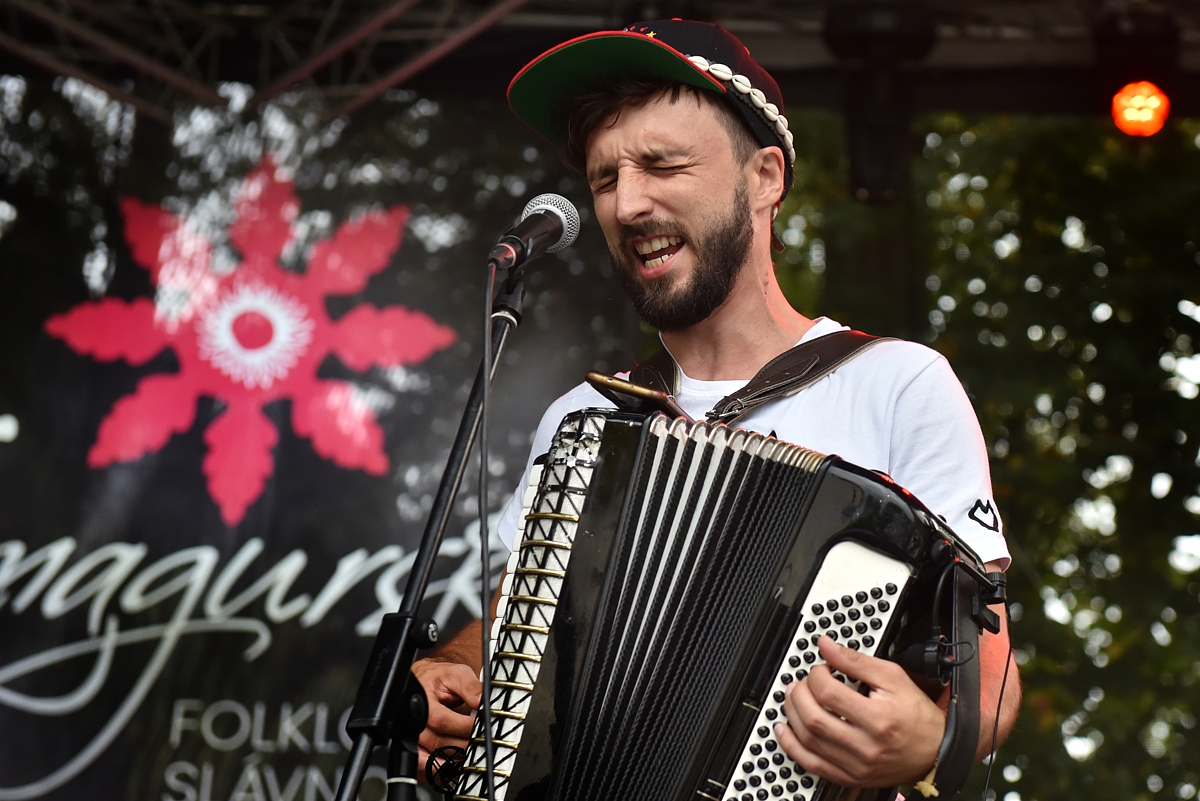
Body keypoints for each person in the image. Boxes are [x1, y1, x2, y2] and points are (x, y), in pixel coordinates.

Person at [413, 18, 1020, 792]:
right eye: (605, 178)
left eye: (662, 165)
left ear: (765, 177)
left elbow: (990, 674)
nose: (627, 204)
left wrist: (932, 739)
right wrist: (453, 670)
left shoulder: (899, 385)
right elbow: (518, 620)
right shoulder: (580, 419)